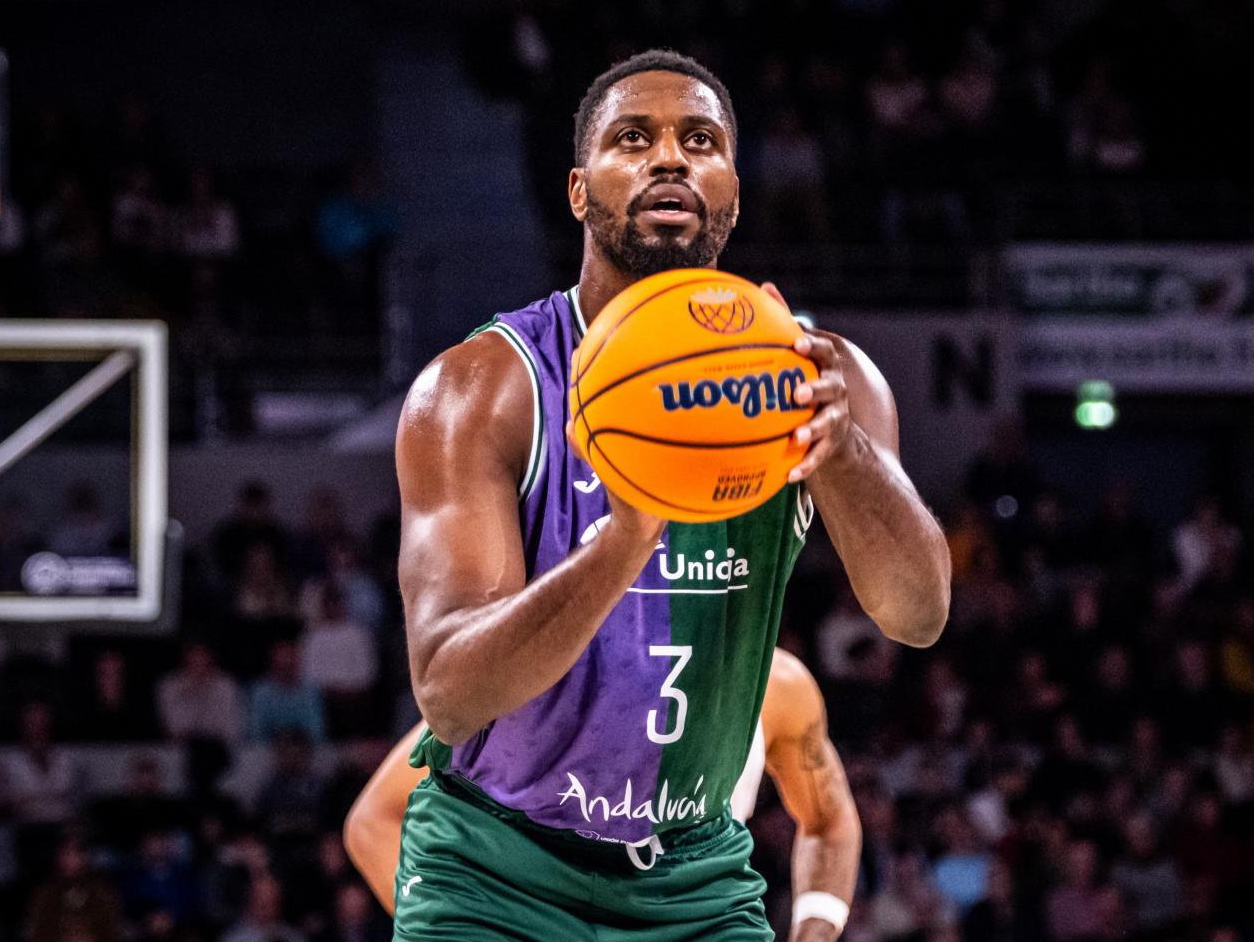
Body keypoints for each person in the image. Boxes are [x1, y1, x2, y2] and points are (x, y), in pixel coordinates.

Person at [390, 49, 949, 940]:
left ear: (731, 189)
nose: (670, 158)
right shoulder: (483, 388)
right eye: (632, 138)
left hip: (694, 879)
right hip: (495, 873)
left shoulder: (820, 382)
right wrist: (621, 542)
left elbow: (917, 614)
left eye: (700, 140)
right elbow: (451, 695)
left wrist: (840, 452)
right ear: (578, 191)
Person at [346, 649, 861, 938]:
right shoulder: (550, 669)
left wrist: (813, 932)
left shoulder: (775, 684)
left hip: (685, 913)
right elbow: (375, 819)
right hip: (531, 904)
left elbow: (831, 821)